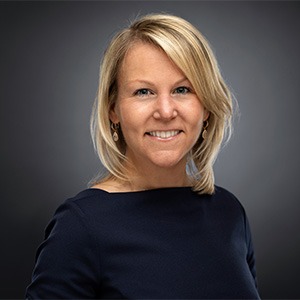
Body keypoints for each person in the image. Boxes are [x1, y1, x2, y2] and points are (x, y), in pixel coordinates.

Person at [26, 13, 260, 299]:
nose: (165, 111)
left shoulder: (229, 212)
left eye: (182, 89)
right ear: (114, 109)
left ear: (207, 106)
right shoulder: (81, 225)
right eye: (143, 92)